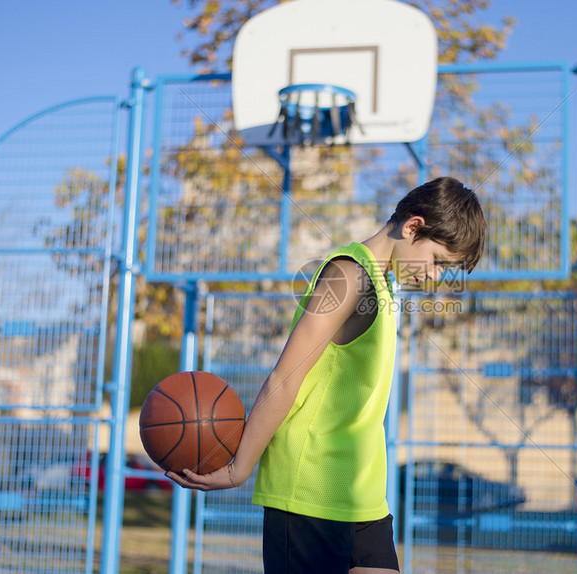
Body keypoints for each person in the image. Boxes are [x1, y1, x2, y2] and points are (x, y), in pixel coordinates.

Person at [167, 176, 487, 574]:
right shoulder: (348, 277)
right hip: (310, 491)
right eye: (438, 261)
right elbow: (285, 377)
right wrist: (239, 468)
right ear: (413, 227)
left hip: (361, 495)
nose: (437, 277)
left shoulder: (383, 287)